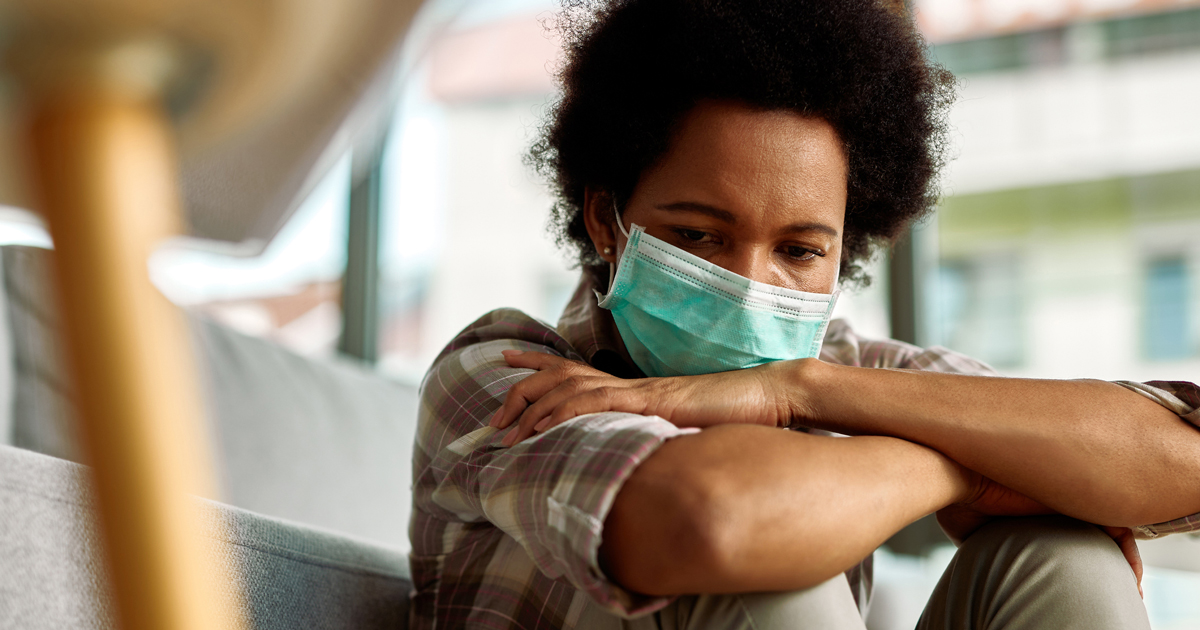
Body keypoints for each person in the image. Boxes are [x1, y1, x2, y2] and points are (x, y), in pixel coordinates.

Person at [408, 1, 1200, 628]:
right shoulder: (505, 373)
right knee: (760, 571)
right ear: (606, 219)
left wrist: (806, 391)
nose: (750, 284)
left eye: (798, 250)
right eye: (698, 235)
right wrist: (956, 464)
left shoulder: (847, 372)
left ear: (843, 250)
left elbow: (1182, 462)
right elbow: (712, 521)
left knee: (1062, 549)